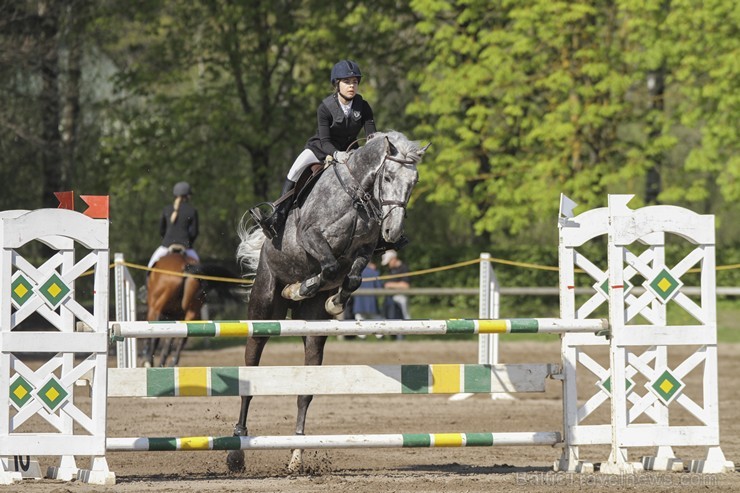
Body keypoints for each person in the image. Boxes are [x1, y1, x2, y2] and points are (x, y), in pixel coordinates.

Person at [249, 59, 376, 240]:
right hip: (321, 148)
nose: (351, 86)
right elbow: (325, 140)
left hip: (349, 150)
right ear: (337, 84)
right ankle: (278, 217)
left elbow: (371, 136)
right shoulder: (325, 108)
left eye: (355, 82)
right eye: (347, 82)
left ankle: (380, 229)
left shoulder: (363, 107)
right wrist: (335, 154)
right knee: (295, 170)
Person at [147, 181, 200, 270]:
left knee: (150, 267)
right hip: (186, 246)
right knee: (200, 270)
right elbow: (194, 232)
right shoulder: (192, 211)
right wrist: (188, 242)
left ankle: (146, 284)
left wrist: (167, 240)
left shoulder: (166, 209)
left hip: (167, 245)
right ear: (187, 196)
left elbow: (161, 231)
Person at [381, 249, 411, 321]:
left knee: (404, 317)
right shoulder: (391, 270)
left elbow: (406, 285)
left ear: (394, 259)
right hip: (391, 298)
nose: (388, 265)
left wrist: (390, 285)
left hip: (401, 297)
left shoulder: (404, 268)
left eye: (389, 262)